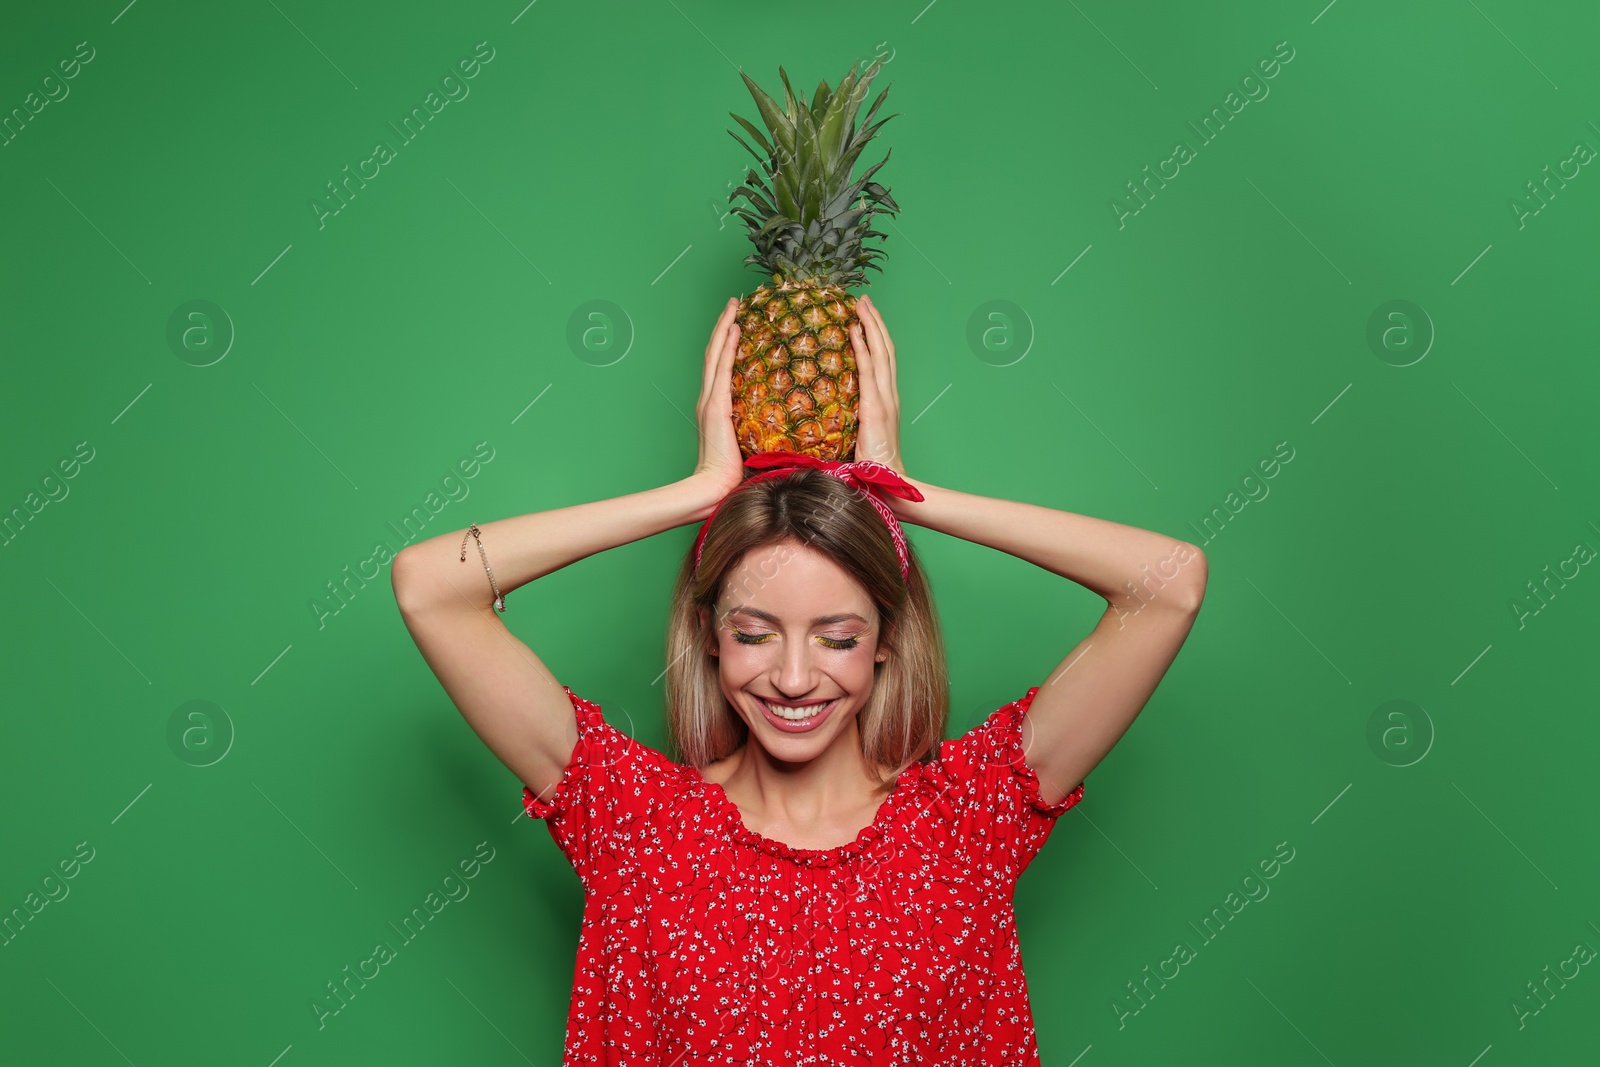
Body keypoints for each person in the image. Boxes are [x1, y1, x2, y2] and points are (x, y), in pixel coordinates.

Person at [390, 294, 1207, 1064]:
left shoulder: (965, 826)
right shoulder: (638, 827)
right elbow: (432, 587)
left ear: (886, 639)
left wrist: (908, 496)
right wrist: (696, 495)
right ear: (709, 636)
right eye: (753, 632)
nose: (791, 676)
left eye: (838, 637)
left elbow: (1168, 582)